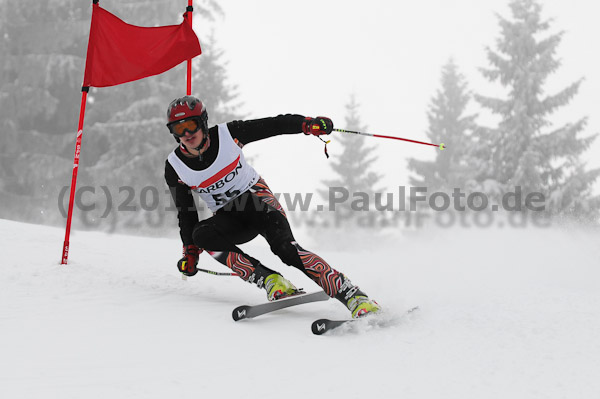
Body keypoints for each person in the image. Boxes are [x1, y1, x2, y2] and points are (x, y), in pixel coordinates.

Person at [164, 96, 380, 318]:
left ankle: (353, 295)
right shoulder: (175, 166)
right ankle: (270, 280)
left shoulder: (229, 134)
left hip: (258, 202)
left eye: (190, 125)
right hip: (230, 217)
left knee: (285, 249)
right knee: (200, 234)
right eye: (178, 129)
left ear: (203, 122)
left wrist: (306, 124)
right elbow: (186, 212)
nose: (186, 134)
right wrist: (190, 251)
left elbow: (274, 125)